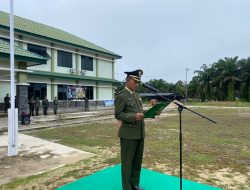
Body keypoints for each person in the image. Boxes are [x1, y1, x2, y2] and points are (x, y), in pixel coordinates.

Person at [114, 69, 145, 190]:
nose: (137, 84)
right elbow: (118, 114)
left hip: (139, 133)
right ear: (128, 80)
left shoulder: (136, 95)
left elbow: (140, 113)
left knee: (137, 162)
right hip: (128, 134)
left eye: (138, 82)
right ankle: (127, 187)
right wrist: (133, 117)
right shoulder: (122, 95)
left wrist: (154, 111)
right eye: (135, 81)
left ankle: (134, 184)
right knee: (127, 163)